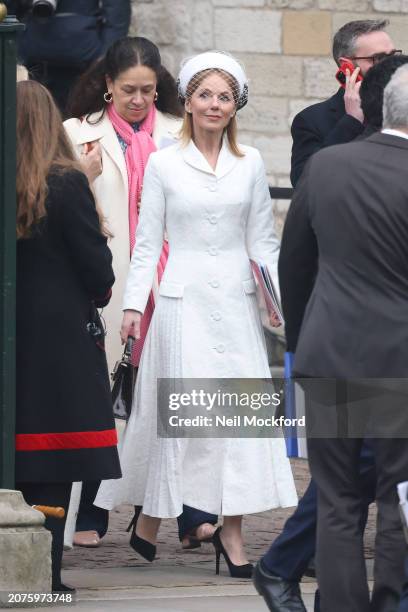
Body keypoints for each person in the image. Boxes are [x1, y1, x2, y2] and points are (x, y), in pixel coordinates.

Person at [95, 50, 298, 575]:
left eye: (224, 96)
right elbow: (145, 244)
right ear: (187, 102)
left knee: (233, 421)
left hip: (233, 304)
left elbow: (262, 242)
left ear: (236, 106)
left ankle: (231, 536)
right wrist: (135, 306)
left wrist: (275, 303)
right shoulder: (164, 161)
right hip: (181, 304)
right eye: (204, 95)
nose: (214, 104)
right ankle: (164, 516)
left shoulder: (250, 161)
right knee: (185, 419)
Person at [253, 52, 408, 612]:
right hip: (398, 361)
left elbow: (295, 267)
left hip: (330, 351)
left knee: (339, 499)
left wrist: (300, 345)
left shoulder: (327, 166)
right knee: (395, 498)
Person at [64, 36, 217, 549]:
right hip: (110, 279)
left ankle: (190, 510)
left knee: (177, 391)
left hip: (174, 280)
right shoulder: (75, 134)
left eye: (148, 91)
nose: (138, 100)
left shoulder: (182, 133)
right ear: (108, 85)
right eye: (128, 90)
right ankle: (92, 509)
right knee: (103, 397)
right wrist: (81, 179)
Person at [14, 80, 121, 592]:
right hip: (57, 344)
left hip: (15, 337)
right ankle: (43, 576)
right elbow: (98, 273)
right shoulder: (66, 182)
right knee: (51, 460)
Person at [290, 18, 400, 187]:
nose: (390, 65)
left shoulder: (402, 111)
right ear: (347, 66)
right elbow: (304, 183)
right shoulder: (311, 120)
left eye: (392, 55)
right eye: (377, 58)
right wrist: (351, 121)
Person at [7, 0, 130, 117]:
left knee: (81, 128)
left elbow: (117, 13)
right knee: (34, 126)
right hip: (33, 63)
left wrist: (104, 57)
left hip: (83, 67)